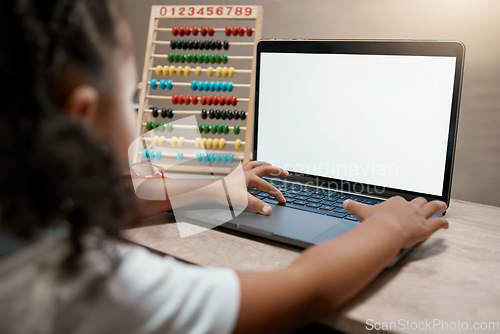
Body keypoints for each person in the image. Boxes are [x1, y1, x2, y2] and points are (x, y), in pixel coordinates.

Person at [0, 0, 449, 333]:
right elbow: (300, 292)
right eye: (127, 93)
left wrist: (199, 194)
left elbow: (90, 203)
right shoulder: (87, 286)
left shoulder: (21, 211)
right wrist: (389, 228)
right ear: (80, 115)